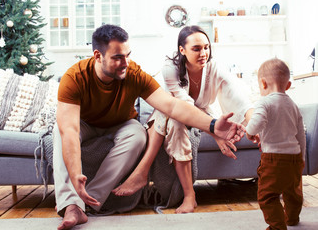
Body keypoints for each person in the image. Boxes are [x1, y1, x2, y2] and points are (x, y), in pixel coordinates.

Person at [53, 24, 246, 230]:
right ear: (98, 56)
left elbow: (172, 105)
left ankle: (91, 200)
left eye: (127, 55)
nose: (125, 63)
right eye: (117, 57)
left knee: (138, 135)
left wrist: (213, 125)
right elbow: (71, 130)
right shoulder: (75, 77)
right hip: (85, 123)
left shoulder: (133, 73)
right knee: (59, 131)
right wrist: (75, 173)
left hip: (120, 124)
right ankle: (71, 205)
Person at [112, 25, 253, 213]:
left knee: (174, 117)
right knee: (173, 117)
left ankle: (144, 173)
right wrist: (215, 132)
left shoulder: (215, 68)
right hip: (173, 112)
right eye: (196, 49)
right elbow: (182, 107)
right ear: (182, 50)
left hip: (203, 115)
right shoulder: (170, 69)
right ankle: (189, 195)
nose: (203, 53)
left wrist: (254, 129)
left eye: (206, 47)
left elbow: (240, 101)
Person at [246, 58, 306, 230]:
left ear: (263, 83)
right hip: (294, 158)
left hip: (274, 159)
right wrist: (301, 157)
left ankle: (277, 226)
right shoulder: (293, 105)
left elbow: (255, 123)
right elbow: (301, 133)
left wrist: (250, 132)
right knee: (293, 192)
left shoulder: (264, 102)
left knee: (267, 195)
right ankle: (292, 218)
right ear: (287, 86)